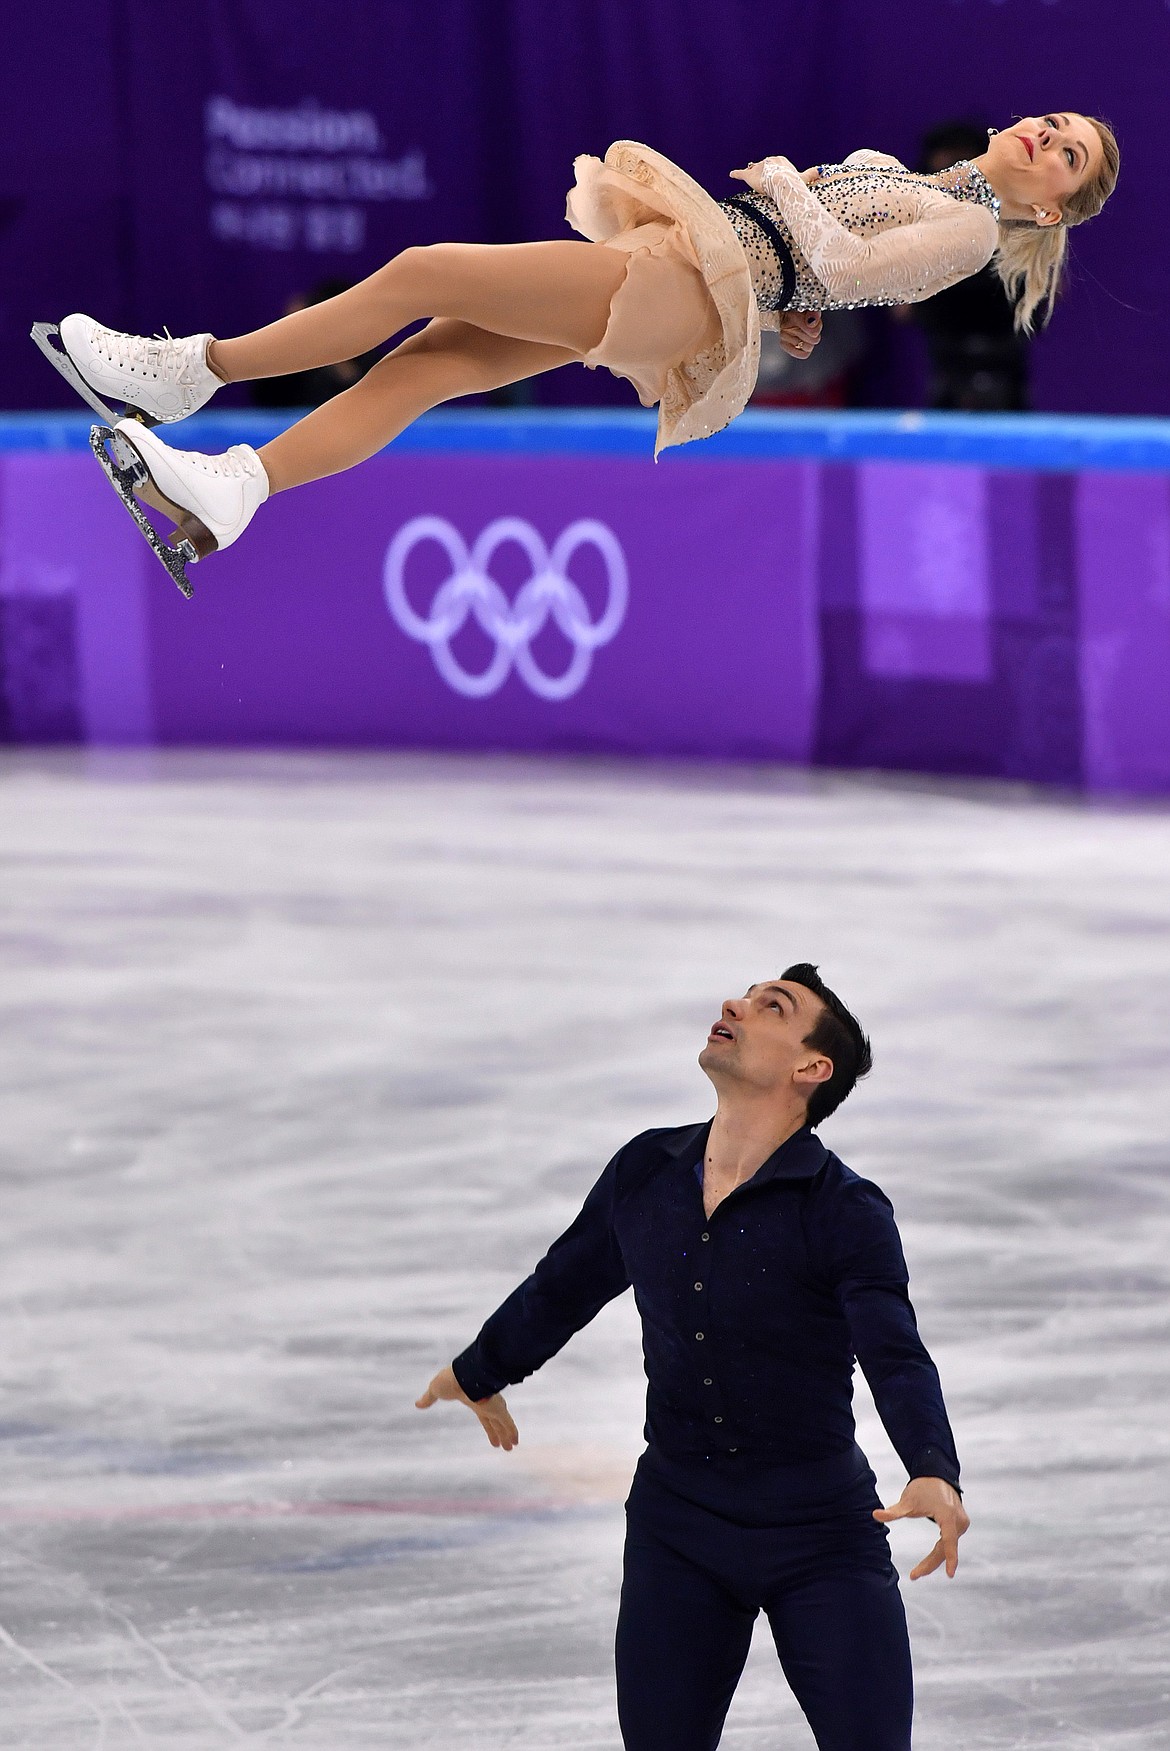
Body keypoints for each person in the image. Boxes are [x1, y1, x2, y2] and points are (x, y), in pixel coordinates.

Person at [43, 113, 1117, 584]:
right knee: (430, 365)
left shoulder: (975, 228)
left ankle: (189, 373)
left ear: (1056, 210)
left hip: (689, 284)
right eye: (1057, 124)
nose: (1048, 137)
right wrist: (801, 300)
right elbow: (831, 279)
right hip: (697, 263)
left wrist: (789, 191)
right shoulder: (914, 175)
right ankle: (241, 485)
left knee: (422, 271)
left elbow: (833, 253)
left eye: (1068, 155)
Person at [416, 964, 968, 1751]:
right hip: (678, 1528)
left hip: (819, 1535)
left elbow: (896, 1350)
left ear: (812, 1068)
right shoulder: (647, 1171)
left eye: (770, 1006)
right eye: (745, 993)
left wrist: (932, 1464)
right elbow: (563, 1285)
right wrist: (478, 1372)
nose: (733, 1004)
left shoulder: (844, 1209)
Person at [899, 121, 1032, 410]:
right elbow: (900, 308)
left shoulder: (1020, 220)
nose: (959, 186)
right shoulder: (916, 217)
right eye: (946, 173)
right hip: (946, 354)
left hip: (1006, 350)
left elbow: (1047, 290)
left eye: (967, 174)